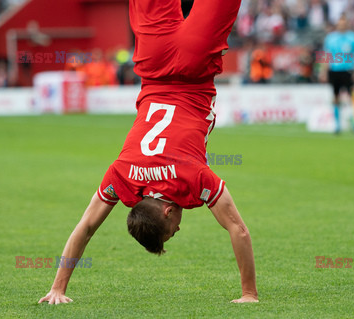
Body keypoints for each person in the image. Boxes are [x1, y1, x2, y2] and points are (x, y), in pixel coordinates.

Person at [38, 0, 258, 305]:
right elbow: (85, 226)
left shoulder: (194, 178)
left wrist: (249, 294)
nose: (179, 228)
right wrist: (57, 287)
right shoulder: (121, 175)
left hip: (195, 65)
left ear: (167, 213)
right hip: (153, 62)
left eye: (172, 232)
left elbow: (239, 229)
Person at [320, 14, 354, 134]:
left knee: (352, 96)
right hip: (334, 70)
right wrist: (324, 72)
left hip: (348, 70)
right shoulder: (331, 38)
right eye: (340, 22)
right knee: (335, 97)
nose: (341, 24)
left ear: (347, 24)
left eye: (344, 22)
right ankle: (337, 125)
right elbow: (326, 56)